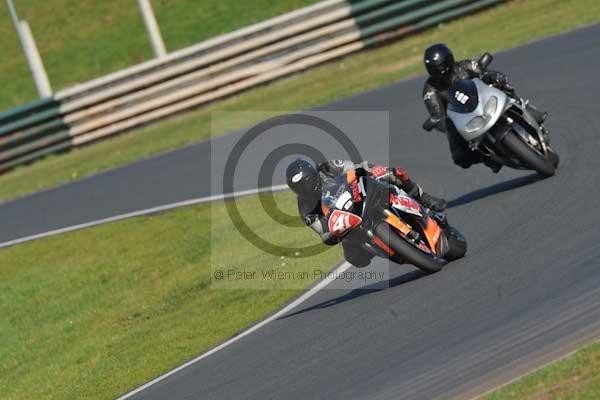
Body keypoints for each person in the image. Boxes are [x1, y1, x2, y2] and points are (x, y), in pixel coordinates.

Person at [285, 158, 447, 268]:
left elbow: (351, 167)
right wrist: (333, 235)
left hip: (361, 193)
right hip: (349, 222)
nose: (305, 190)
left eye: (306, 183)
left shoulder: (326, 167)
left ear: (313, 174)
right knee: (355, 259)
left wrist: (367, 171)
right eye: (299, 189)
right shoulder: (305, 209)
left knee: (391, 173)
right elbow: (322, 232)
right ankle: (393, 249)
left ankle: (423, 197)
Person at [422, 43, 547, 172]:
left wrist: (494, 77)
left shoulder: (464, 66)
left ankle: (526, 108)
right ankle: (488, 158)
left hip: (485, 99)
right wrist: (439, 121)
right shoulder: (430, 90)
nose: (441, 71)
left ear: (450, 60)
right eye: (435, 70)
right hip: (464, 119)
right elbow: (437, 114)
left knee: (501, 84)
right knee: (459, 157)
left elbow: (484, 72)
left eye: (442, 66)